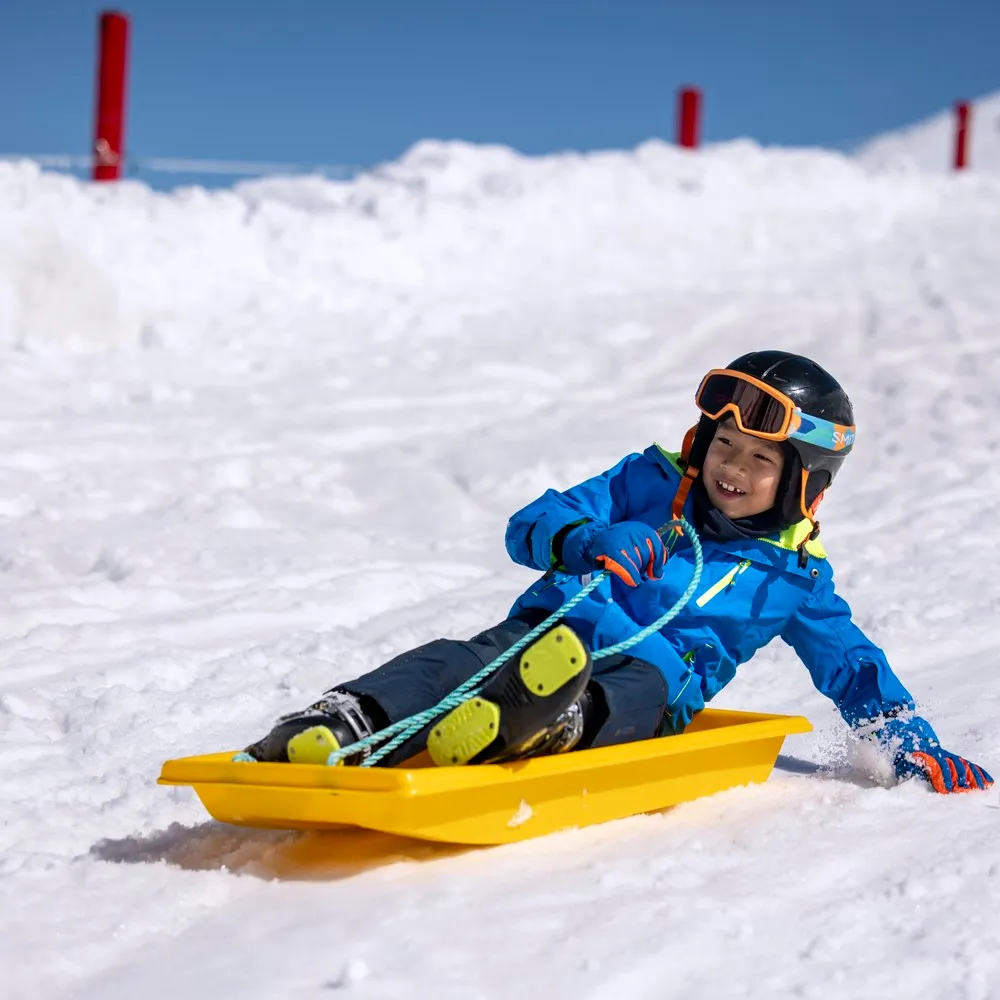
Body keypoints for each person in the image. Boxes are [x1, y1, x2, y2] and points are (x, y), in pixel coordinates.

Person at [246, 351, 993, 795]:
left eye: (760, 460)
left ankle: (553, 724)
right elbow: (529, 523)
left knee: (635, 688)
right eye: (725, 446)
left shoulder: (793, 579)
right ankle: (345, 719)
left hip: (649, 682)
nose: (732, 468)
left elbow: (852, 665)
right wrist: (590, 537)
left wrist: (906, 740)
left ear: (804, 483)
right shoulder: (646, 482)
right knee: (460, 659)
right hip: (547, 628)